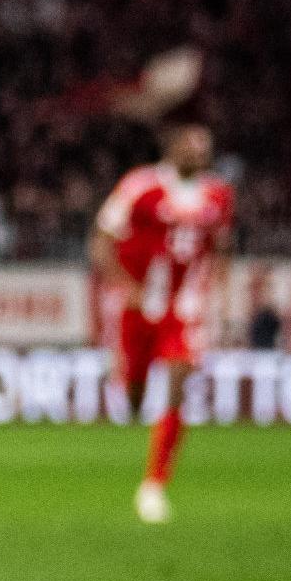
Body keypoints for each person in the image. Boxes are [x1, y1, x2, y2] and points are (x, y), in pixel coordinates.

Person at [90, 118, 231, 526]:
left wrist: (218, 291)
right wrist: (121, 284)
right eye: (193, 145)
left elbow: (221, 246)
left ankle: (153, 485)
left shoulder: (218, 195)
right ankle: (129, 394)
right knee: (133, 392)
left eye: (206, 147)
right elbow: (101, 239)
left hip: (182, 308)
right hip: (138, 304)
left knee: (177, 381)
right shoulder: (139, 186)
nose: (201, 153)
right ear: (174, 148)